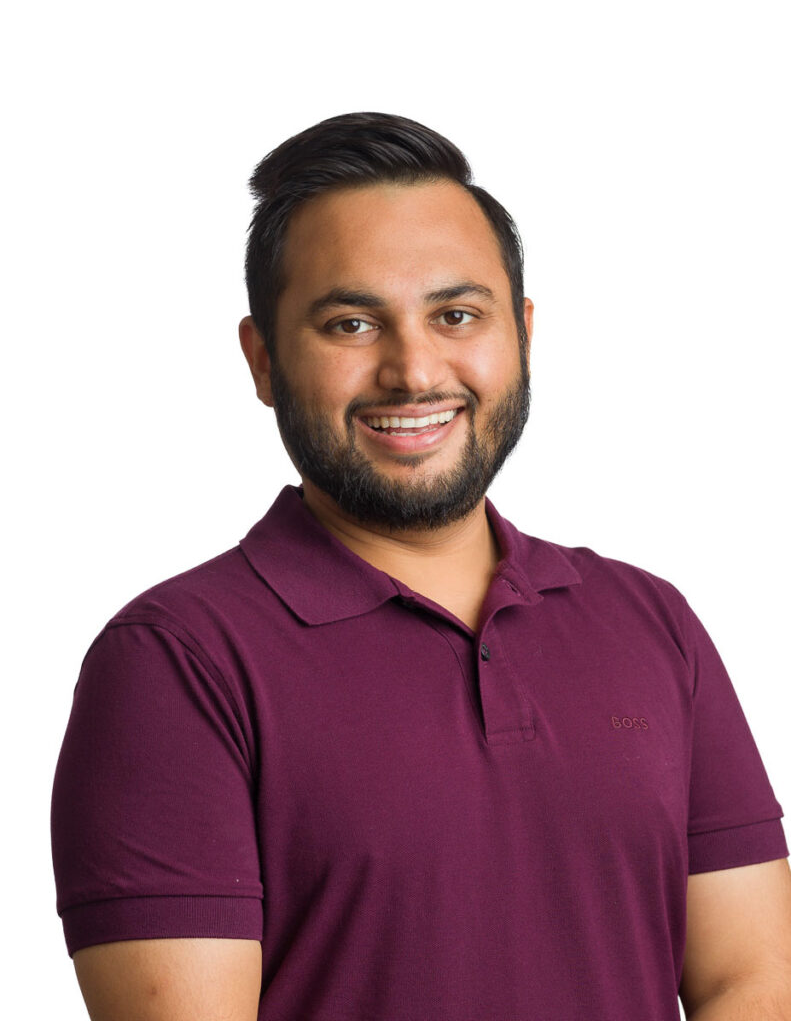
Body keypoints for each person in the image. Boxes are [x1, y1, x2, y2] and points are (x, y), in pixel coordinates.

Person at [50, 112, 791, 1021]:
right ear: (263, 360)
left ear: (520, 332)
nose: (412, 370)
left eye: (455, 315)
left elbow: (749, 983)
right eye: (351, 322)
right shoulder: (175, 661)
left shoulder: (649, 620)